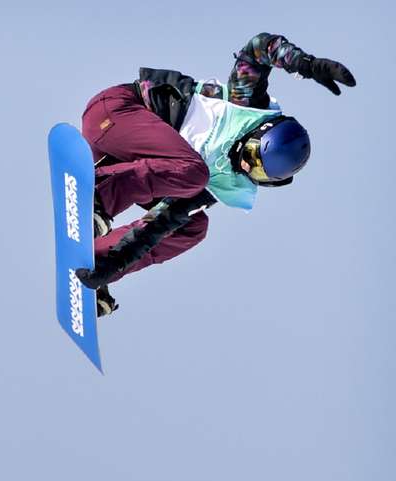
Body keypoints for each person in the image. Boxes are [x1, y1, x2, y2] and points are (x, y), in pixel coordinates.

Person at [78, 32, 356, 316]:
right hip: (116, 113)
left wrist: (116, 263)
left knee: (191, 226)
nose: (247, 167)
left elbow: (159, 222)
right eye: (252, 156)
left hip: (122, 159)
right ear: (257, 134)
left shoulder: (222, 181)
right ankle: (98, 195)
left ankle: (100, 256)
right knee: (194, 172)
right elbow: (260, 49)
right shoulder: (245, 103)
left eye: (258, 173)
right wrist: (307, 65)